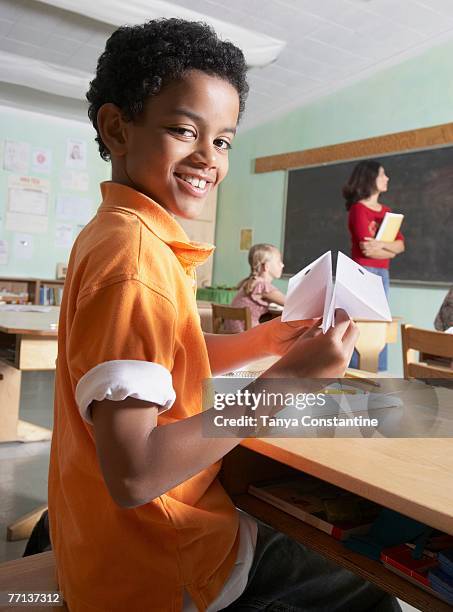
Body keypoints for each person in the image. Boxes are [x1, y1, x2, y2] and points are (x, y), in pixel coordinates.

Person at [48, 19, 401, 612]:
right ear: (116, 128)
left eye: (224, 140)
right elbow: (134, 475)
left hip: (106, 547)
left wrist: (272, 339)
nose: (208, 157)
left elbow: (170, 363)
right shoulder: (136, 262)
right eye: (184, 130)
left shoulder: (120, 234)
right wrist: (289, 381)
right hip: (161, 566)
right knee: (369, 580)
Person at [343, 160, 405, 371]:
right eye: (382, 174)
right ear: (370, 178)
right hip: (363, 271)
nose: (386, 178)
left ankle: (376, 370)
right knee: (361, 323)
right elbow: (367, 250)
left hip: (382, 273)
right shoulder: (358, 209)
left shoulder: (387, 211)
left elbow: (401, 246)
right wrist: (388, 248)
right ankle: (354, 371)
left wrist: (381, 245)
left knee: (380, 322)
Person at [225, 243, 285, 332]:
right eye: (279, 262)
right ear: (266, 266)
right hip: (246, 336)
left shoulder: (251, 282)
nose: (282, 265)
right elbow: (291, 303)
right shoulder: (262, 286)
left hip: (233, 335)